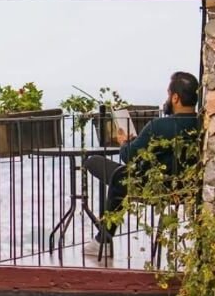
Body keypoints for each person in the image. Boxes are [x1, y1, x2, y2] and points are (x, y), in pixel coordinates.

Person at [83, 71, 201, 257]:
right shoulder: (202, 125)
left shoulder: (159, 126)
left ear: (176, 97)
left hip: (153, 187)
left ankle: (103, 240)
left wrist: (124, 142)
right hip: (186, 188)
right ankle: (102, 239)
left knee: (99, 165)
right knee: (121, 177)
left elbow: (129, 155)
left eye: (169, 94)